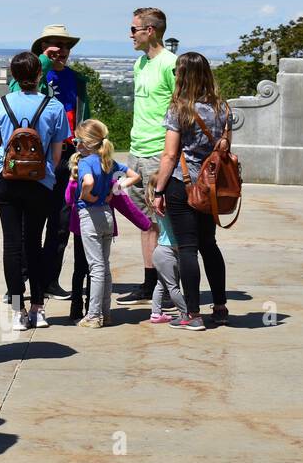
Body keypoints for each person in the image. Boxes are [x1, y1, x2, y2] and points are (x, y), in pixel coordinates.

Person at [152, 52, 232, 330]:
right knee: (209, 245)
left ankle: (192, 315)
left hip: (182, 184)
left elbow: (169, 156)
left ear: (183, 76)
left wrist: (158, 191)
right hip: (211, 186)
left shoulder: (179, 110)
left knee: (187, 248)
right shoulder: (223, 108)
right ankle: (220, 307)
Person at [0, 51, 69, 331]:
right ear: (40, 75)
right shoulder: (54, 106)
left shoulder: (1, 104)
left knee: (11, 245)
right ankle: (38, 307)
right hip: (40, 182)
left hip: (7, 180)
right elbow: (58, 154)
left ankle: (17, 311)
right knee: (34, 243)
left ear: (13, 76)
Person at [117, 8, 176, 306]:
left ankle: (167, 286)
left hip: (157, 152)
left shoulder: (171, 64)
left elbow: (182, 109)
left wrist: (171, 155)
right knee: (145, 221)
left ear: (150, 30)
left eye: (134, 29)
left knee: (163, 220)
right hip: (136, 150)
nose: (130, 35)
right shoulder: (140, 63)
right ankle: (149, 282)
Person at [32, 24, 91, 300]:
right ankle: (25, 278)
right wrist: (44, 59)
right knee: (31, 220)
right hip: (39, 155)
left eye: (65, 46)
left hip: (69, 155)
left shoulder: (77, 80)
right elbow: (15, 87)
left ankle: (50, 279)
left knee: (60, 220)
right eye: (54, 45)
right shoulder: (34, 74)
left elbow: (85, 117)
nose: (62, 51)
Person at [72, 119, 140, 328]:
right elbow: (134, 176)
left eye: (78, 140)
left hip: (90, 216)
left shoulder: (85, 162)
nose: (76, 144)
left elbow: (89, 182)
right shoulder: (108, 161)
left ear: (86, 143)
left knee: (96, 267)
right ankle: (105, 311)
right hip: (107, 215)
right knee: (105, 266)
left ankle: (93, 316)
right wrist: (115, 190)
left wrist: (87, 196)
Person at [146, 213, 189, 326]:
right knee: (172, 286)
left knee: (160, 284)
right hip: (167, 252)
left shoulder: (157, 211)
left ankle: (156, 313)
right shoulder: (169, 211)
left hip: (160, 251)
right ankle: (185, 314)